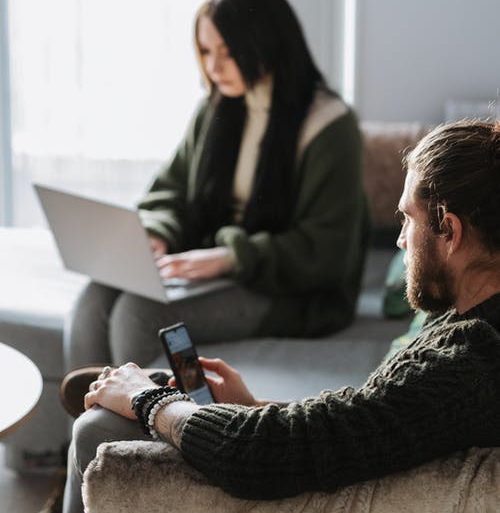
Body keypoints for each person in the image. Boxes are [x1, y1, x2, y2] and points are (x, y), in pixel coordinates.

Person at [61, 119, 500, 511]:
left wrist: (149, 401)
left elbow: (262, 454)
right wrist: (252, 406)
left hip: (279, 478)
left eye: (408, 219)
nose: (401, 240)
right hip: (319, 454)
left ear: (450, 232)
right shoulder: (464, 318)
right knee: (134, 396)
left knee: (97, 429)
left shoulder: (471, 361)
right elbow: (368, 423)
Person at [64, 0, 370, 371]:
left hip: (293, 290)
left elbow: (326, 251)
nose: (213, 67)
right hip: (218, 263)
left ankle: (157, 429)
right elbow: (171, 191)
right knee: (92, 302)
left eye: (228, 52)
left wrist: (231, 258)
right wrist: (158, 233)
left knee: (138, 315)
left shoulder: (329, 125)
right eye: (205, 51)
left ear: (269, 43)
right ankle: (86, 432)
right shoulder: (215, 109)